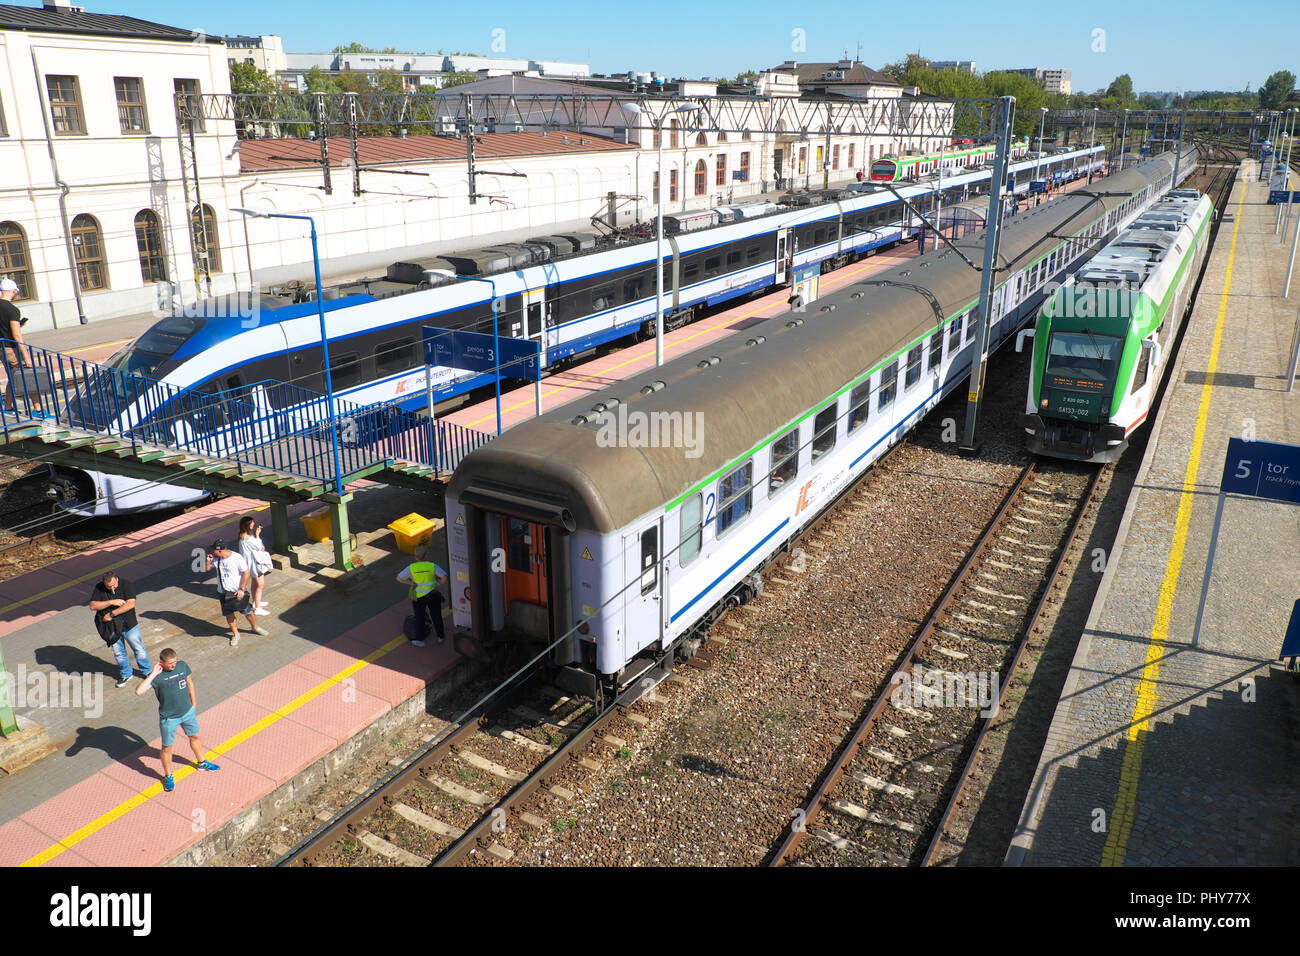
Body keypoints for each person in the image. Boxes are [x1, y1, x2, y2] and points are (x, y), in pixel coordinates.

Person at [136, 648, 219, 792]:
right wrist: (154, 673)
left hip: (187, 713)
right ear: (161, 663)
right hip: (169, 718)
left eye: (174, 662)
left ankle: (202, 762)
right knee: (167, 747)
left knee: (195, 736)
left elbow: (190, 683)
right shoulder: (157, 676)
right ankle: (168, 776)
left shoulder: (182, 666)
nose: (173, 665)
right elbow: (139, 691)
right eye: (170, 664)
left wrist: (193, 704)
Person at [89, 570, 151, 688]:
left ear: (117, 579)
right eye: (108, 586)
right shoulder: (99, 587)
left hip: (128, 624)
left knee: (138, 648)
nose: (111, 588)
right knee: (118, 652)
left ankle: (147, 671)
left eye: (113, 585)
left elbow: (130, 604)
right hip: (112, 628)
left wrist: (112, 614)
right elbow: (93, 605)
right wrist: (111, 602)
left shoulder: (126, 584)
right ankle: (126, 673)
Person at [206, 539, 267, 646]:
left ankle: (255, 627)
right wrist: (208, 561)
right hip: (223, 593)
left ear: (220, 551)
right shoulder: (216, 559)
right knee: (228, 614)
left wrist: (241, 589)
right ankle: (236, 634)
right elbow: (206, 569)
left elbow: (246, 573)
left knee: (247, 611)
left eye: (213, 550)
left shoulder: (236, 558)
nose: (211, 552)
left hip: (237, 592)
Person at [0, 277, 39, 413]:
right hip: (11, 348)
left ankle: (8, 407)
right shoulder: (13, 310)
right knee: (26, 375)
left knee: (13, 376)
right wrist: (27, 357)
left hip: (1, 348)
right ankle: (37, 409)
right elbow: (16, 335)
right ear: (13, 291)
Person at [396, 544, 447, 646]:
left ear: (415, 556)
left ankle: (419, 640)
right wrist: (437, 583)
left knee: (420, 617)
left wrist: (411, 583)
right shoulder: (432, 566)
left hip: (418, 596)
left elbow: (399, 578)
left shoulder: (411, 568)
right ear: (426, 555)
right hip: (433, 594)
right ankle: (440, 636)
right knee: (436, 616)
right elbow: (444, 577)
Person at [237, 516, 272, 614]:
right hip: (254, 564)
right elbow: (260, 547)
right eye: (251, 523)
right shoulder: (248, 537)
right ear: (247, 525)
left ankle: (256, 602)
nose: (253, 524)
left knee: (254, 583)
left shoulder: (242, 535)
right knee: (260, 585)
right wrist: (257, 535)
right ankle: (258, 608)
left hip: (249, 564)